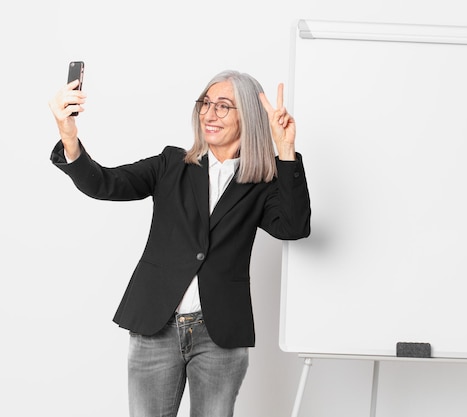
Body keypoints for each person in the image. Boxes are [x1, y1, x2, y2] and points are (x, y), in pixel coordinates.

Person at [48, 69, 311, 417]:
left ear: (248, 116)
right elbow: (104, 184)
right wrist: (69, 135)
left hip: (219, 333)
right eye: (205, 103)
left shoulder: (261, 183)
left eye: (223, 106)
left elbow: (292, 228)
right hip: (156, 326)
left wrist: (286, 150)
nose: (209, 113)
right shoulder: (171, 165)